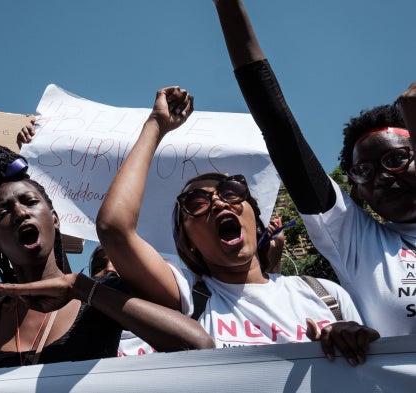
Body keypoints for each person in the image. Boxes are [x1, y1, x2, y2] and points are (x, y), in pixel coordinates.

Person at [96, 86, 379, 365]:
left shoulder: (324, 295)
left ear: (256, 221)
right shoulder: (188, 296)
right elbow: (114, 229)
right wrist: (156, 125)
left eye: (231, 191)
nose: (219, 203)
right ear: (187, 242)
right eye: (196, 203)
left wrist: (350, 339)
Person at [0, 146, 214, 389]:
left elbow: (198, 344)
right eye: (3, 211)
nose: (19, 213)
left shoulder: (101, 294)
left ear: (54, 220)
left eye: (30, 202)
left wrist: (80, 288)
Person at [212, 0, 416, 336]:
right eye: (363, 171)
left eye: (396, 160)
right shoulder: (359, 244)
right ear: (357, 194)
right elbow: (281, 132)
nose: (382, 176)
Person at [89, 245, 155, 357]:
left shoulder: (165, 327)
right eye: (98, 267)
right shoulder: (81, 336)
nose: (109, 269)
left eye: (121, 265)